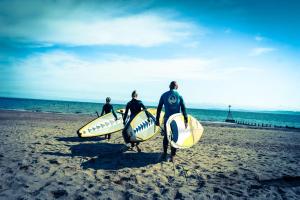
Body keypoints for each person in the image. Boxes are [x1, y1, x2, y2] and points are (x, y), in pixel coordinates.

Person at [156, 81, 188, 162]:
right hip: (176, 120)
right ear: (177, 87)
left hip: (167, 119)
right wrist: (186, 120)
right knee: (175, 137)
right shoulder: (179, 96)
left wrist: (157, 119)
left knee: (166, 137)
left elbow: (159, 108)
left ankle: (164, 153)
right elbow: (183, 108)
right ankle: (173, 155)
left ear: (169, 86)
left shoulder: (164, 95)